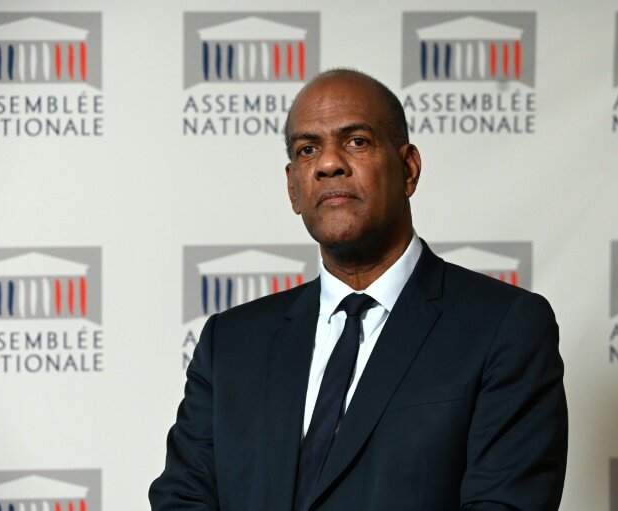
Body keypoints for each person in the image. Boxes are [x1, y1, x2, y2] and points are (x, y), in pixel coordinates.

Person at [150, 69, 568, 510]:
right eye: (308, 149)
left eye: (356, 141)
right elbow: (183, 498)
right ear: (293, 187)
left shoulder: (504, 327)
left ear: (409, 169)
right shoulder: (230, 343)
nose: (329, 163)